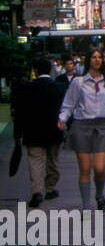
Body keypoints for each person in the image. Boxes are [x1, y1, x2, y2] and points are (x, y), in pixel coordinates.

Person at [58, 48, 105, 212]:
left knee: (99, 169)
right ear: (88, 60)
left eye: (100, 57)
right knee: (84, 169)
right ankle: (86, 205)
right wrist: (63, 118)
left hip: (102, 126)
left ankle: (100, 195)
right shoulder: (78, 82)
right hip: (82, 125)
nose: (97, 60)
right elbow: (69, 104)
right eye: (94, 57)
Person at [14, 57, 64, 208]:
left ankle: (37, 192)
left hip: (33, 133)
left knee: (35, 162)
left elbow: (19, 113)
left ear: (35, 71)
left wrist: (17, 134)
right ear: (50, 70)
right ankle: (50, 188)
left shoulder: (26, 88)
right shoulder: (60, 87)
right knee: (52, 161)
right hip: (54, 132)